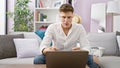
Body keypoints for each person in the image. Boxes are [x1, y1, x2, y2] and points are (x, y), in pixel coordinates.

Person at [34, 4, 100, 68]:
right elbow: (43, 46)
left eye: (69, 17)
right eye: (63, 17)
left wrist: (81, 50)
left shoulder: (79, 28)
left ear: (72, 16)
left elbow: (86, 46)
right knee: (37, 59)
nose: (66, 20)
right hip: (56, 56)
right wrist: (47, 50)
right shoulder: (52, 27)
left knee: (93, 61)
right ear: (59, 16)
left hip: (74, 56)